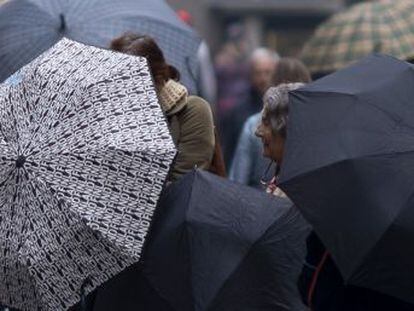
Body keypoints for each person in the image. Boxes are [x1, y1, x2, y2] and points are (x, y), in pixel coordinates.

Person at [110, 32, 219, 181]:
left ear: (158, 80)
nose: (124, 92)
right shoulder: (109, 114)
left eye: (132, 84)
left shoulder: (192, 111)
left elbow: (183, 185)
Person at [254, 83, 310, 310]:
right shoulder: (281, 174)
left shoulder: (305, 188)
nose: (258, 131)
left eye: (266, 122)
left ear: (287, 129)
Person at [229, 58, 311, 188]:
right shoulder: (316, 132)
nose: (258, 131)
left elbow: (237, 181)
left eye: (267, 123)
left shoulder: (251, 123)